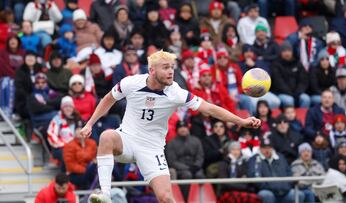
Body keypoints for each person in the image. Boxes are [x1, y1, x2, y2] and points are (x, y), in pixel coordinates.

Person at [81, 50, 261, 203]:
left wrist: (241, 121)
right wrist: (90, 124)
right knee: (107, 136)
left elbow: (210, 108)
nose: (170, 72)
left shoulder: (176, 92)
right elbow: (108, 99)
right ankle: (105, 195)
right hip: (126, 139)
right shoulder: (131, 83)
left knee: (166, 198)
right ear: (152, 70)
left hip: (152, 149)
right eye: (165, 67)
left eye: (172, 68)